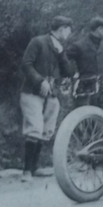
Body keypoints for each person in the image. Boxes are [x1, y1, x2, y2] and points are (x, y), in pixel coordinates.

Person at [20, 15, 74, 180]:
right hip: (32, 92)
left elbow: (68, 72)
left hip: (51, 95)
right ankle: (27, 171)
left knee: (47, 130)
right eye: (68, 29)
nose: (70, 33)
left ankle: (35, 168)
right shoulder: (38, 42)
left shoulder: (59, 47)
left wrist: (62, 54)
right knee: (34, 128)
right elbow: (26, 64)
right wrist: (40, 81)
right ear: (62, 28)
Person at [65, 17, 103, 121]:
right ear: (100, 29)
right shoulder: (79, 45)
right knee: (84, 119)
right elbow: (63, 60)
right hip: (85, 89)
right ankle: (86, 137)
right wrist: (72, 74)